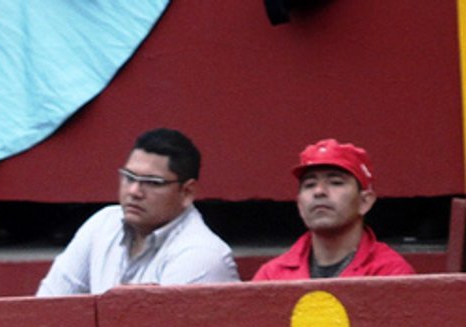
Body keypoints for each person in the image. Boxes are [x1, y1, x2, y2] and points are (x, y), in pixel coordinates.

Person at [37, 128, 238, 295]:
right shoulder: (102, 223)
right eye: (129, 177)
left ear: (187, 192)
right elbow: (49, 307)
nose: (134, 191)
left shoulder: (201, 254)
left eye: (152, 182)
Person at [252, 139, 414, 281]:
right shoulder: (272, 276)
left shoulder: (391, 274)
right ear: (299, 205)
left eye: (335, 182)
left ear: (365, 201)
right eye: (309, 184)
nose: (319, 191)